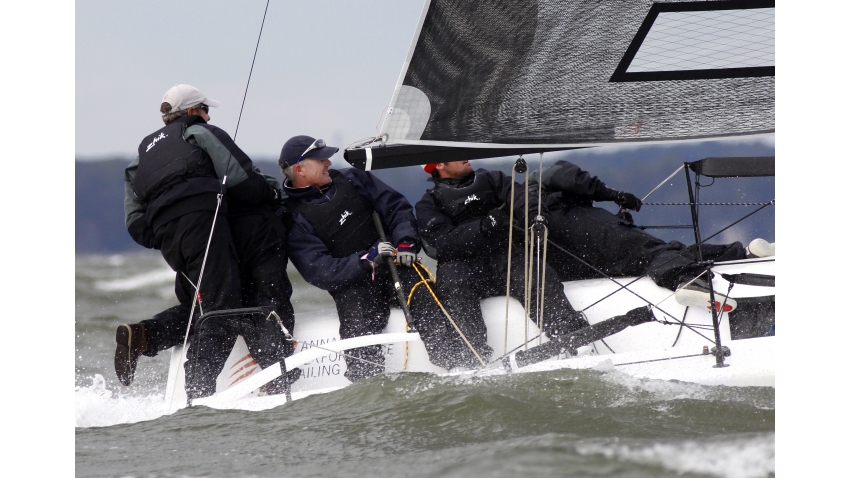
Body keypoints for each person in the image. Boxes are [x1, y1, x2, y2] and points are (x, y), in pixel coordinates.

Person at [116, 84, 296, 400]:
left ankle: (144, 336)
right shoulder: (196, 132)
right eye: (204, 108)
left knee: (203, 303)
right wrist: (268, 194)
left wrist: (162, 234)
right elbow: (240, 177)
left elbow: (134, 222)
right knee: (223, 307)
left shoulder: (141, 156)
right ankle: (198, 396)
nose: (208, 115)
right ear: (190, 112)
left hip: (169, 238)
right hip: (203, 221)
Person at [415, 160, 654, 369]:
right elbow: (441, 244)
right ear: (439, 165)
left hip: (505, 255)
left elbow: (522, 198)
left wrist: (534, 217)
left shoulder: (492, 179)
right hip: (463, 267)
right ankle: (470, 360)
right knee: (453, 283)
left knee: (534, 273)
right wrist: (483, 227)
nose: (465, 158)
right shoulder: (429, 203)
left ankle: (574, 339)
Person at [279, 135, 440, 380]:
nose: (328, 163)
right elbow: (319, 271)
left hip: (395, 265)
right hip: (353, 287)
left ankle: (457, 363)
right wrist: (365, 260)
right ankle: (368, 393)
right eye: (321, 159)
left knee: (425, 293)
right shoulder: (292, 217)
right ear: (300, 169)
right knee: (358, 326)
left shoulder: (354, 179)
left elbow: (398, 209)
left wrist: (406, 242)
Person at [525, 159, 776, 311]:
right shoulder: (534, 184)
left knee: (660, 252)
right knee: (648, 252)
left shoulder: (517, 220)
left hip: (571, 257)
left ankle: (742, 253)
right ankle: (687, 281)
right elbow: (568, 177)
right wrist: (614, 195)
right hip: (571, 224)